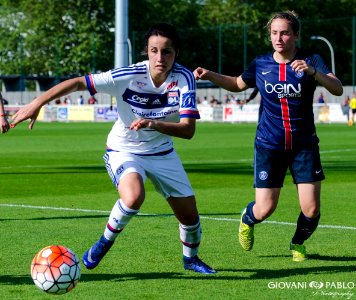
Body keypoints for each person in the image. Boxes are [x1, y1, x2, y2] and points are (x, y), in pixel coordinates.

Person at [11, 22, 216, 274]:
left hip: (163, 153)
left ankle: (191, 259)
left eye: (167, 51)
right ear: (146, 51)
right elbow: (78, 83)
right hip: (124, 149)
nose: (160, 57)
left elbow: (188, 130)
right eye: (154, 50)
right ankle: (103, 243)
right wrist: (37, 102)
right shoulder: (127, 75)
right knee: (133, 197)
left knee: (190, 218)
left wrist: (153, 123)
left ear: (176, 53)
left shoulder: (184, 79)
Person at [194, 11, 343, 262]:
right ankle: (246, 219)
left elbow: (337, 88)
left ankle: (297, 243)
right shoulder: (261, 64)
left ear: (295, 35)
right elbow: (237, 83)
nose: (279, 38)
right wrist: (209, 74)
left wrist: (313, 72)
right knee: (264, 209)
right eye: (274, 33)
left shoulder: (311, 59)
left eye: (284, 32)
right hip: (269, 145)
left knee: (312, 209)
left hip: (303, 145)